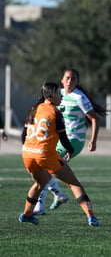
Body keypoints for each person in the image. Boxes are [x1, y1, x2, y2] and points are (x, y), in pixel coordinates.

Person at [19, 82, 100, 226]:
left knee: (40, 184)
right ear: (50, 96)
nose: (60, 95)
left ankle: (26, 214)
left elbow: (23, 135)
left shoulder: (34, 109)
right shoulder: (55, 113)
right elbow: (63, 138)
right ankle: (91, 216)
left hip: (27, 154)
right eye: (57, 93)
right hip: (45, 155)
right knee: (74, 184)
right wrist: (70, 150)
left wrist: (30, 149)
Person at [33, 69, 107, 215]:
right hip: (60, 139)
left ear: (77, 82)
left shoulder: (79, 97)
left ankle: (41, 205)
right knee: (45, 168)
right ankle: (57, 195)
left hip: (74, 140)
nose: (69, 81)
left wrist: (93, 141)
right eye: (67, 78)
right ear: (62, 80)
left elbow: (94, 119)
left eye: (73, 79)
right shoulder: (57, 95)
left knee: (45, 167)